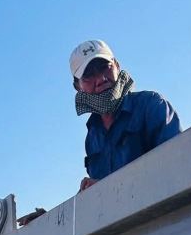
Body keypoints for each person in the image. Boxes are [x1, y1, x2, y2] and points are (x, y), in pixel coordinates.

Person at [70, 38, 181, 191]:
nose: (101, 79)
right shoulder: (92, 135)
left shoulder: (151, 105)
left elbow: (178, 162)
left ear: (116, 65)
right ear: (78, 86)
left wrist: (108, 188)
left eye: (105, 67)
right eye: (89, 76)